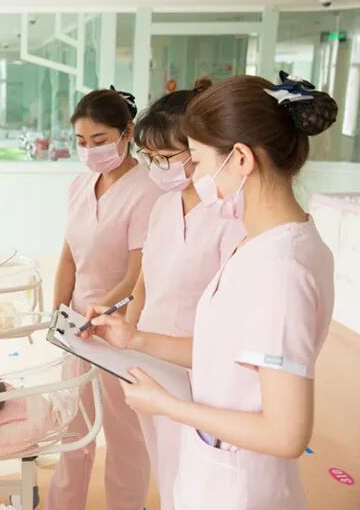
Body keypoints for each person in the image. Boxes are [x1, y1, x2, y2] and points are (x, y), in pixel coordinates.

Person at [84, 73, 339, 510]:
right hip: (213, 472)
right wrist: (136, 338)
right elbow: (224, 351)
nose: (196, 177)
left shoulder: (281, 269)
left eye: (198, 161)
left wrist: (169, 406)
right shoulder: (260, 245)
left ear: (240, 158)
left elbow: (286, 433)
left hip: (241, 489)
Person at [127, 78, 245, 509]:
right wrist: (124, 342)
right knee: (164, 469)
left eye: (167, 157)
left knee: (192, 479)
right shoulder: (163, 205)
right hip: (147, 358)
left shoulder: (230, 214)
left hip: (198, 368)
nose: (157, 167)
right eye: (149, 157)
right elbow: (145, 280)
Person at [47, 87, 162, 510]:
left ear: (127, 132)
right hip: (76, 327)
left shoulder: (147, 190)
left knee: (124, 436)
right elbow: (68, 258)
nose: (89, 150)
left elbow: (135, 277)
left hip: (120, 328)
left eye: (99, 140)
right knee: (73, 430)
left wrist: (97, 314)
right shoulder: (80, 185)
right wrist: (59, 313)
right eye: (81, 141)